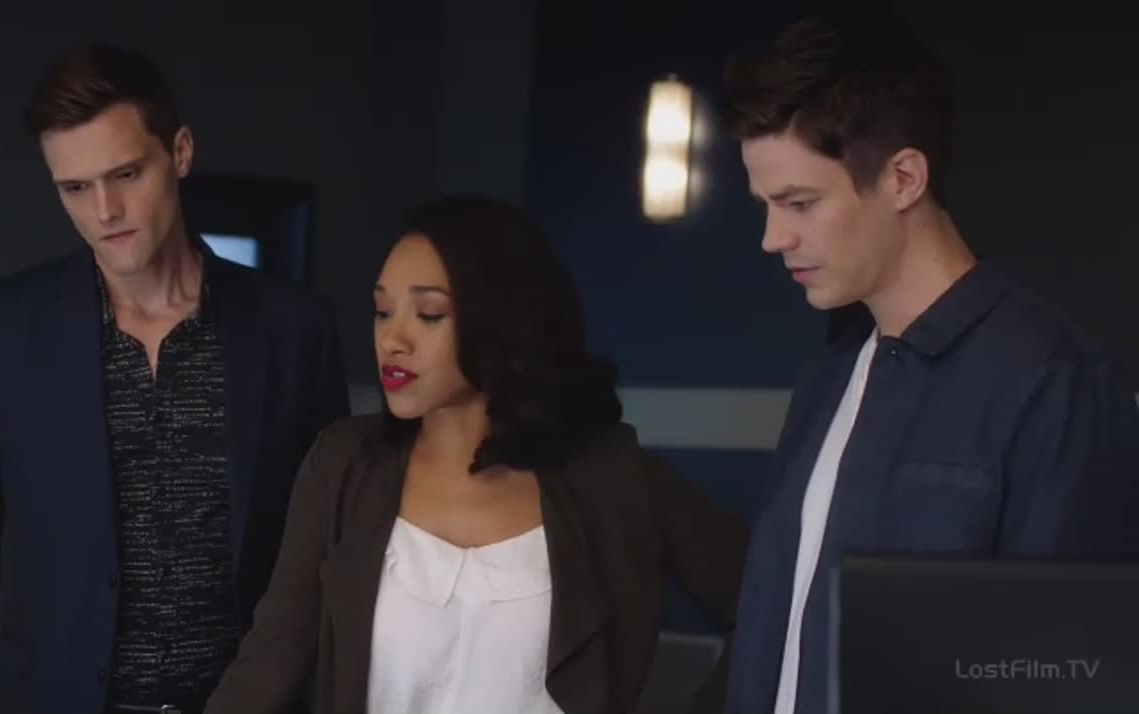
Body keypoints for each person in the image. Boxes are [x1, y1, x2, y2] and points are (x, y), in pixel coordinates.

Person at [719, 12, 1139, 714]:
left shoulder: (1055, 386)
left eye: (799, 203)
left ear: (904, 178)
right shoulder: (828, 376)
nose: (772, 237)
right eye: (766, 205)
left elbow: (1067, 680)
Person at [0, 44, 350, 714]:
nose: (105, 211)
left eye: (126, 174)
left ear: (180, 153)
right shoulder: (2, 329)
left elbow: (329, 556)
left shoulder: (295, 329)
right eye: (75, 188)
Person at [201, 195, 749, 714]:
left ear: (503, 322)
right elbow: (269, 661)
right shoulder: (343, 465)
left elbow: (772, 604)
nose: (392, 339)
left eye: (428, 314)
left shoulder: (612, 479)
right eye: (382, 311)